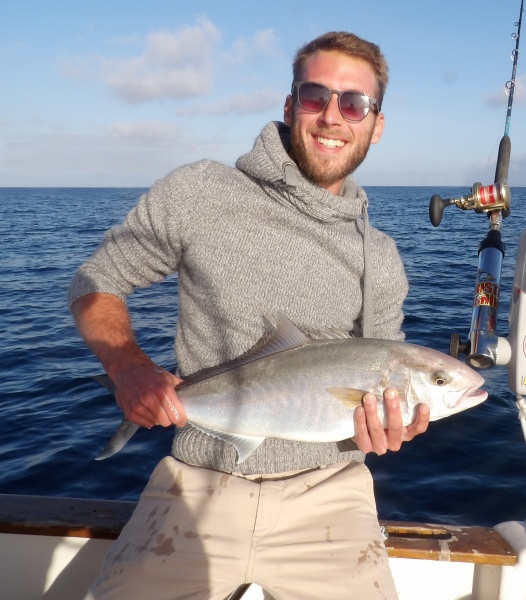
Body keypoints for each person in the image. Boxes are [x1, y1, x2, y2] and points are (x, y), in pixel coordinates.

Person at [68, 31, 429, 600]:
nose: (333, 117)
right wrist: (127, 367)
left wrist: (392, 428)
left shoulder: (379, 256)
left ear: (376, 124)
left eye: (354, 103)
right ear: (289, 108)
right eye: (315, 97)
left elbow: (380, 376)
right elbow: (96, 282)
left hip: (330, 493)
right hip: (196, 486)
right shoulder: (201, 191)